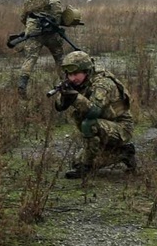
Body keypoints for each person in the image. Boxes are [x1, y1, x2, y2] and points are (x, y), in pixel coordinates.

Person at [54, 50, 137, 179]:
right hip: (103, 124)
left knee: (89, 124)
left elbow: (94, 111)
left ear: (86, 71)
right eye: (69, 74)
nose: (72, 78)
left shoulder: (102, 83)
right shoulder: (78, 82)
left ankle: (86, 168)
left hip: (121, 127)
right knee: (76, 162)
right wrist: (65, 95)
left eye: (76, 74)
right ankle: (123, 153)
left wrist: (75, 97)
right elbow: (59, 107)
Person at [17, 0, 64, 98]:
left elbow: (22, 16)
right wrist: (56, 22)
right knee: (59, 57)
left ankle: (22, 84)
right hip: (50, 31)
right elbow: (56, 7)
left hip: (32, 32)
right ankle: (67, 84)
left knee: (30, 58)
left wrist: (29, 27)